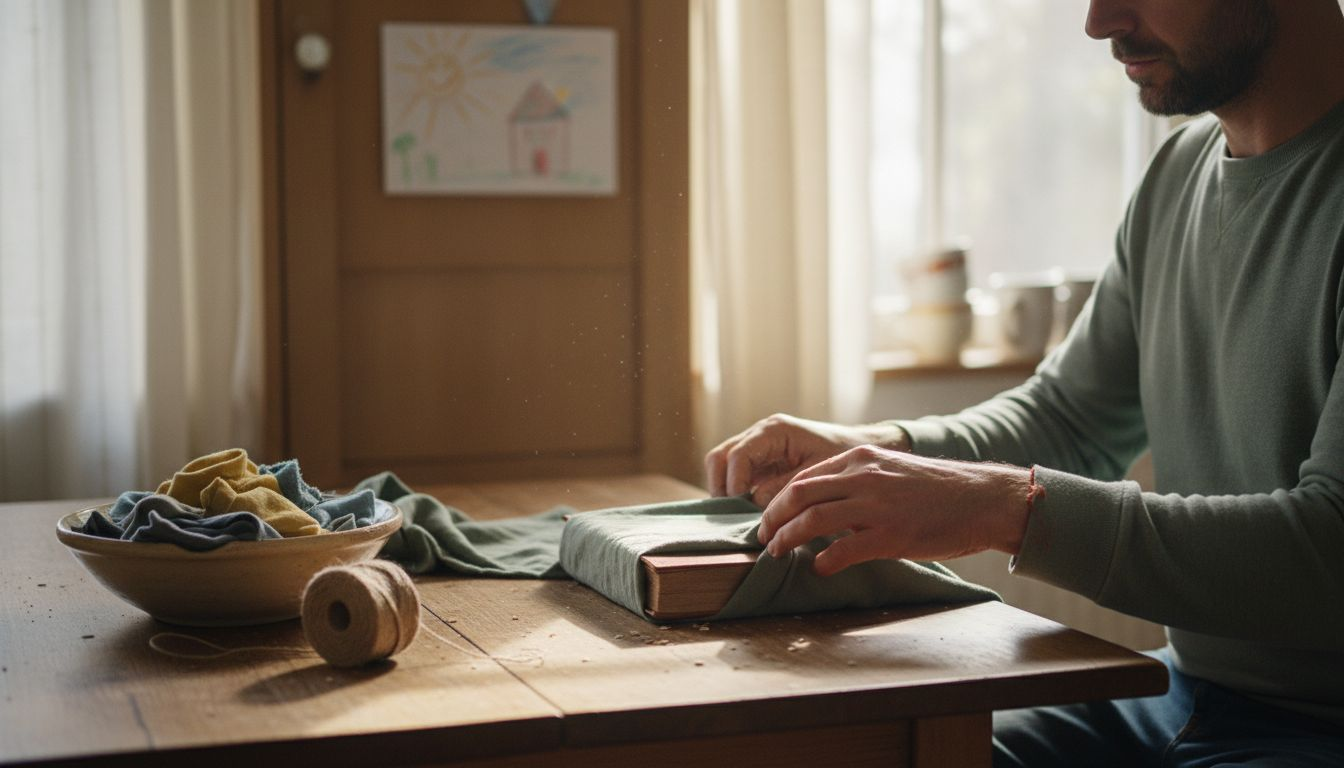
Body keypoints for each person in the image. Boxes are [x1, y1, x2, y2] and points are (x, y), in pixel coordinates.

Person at [703, 0, 1344, 764]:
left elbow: (1329, 548)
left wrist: (1002, 508)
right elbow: (1071, 417)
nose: (1100, 21)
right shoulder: (1178, 173)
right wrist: (876, 449)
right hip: (1179, 694)